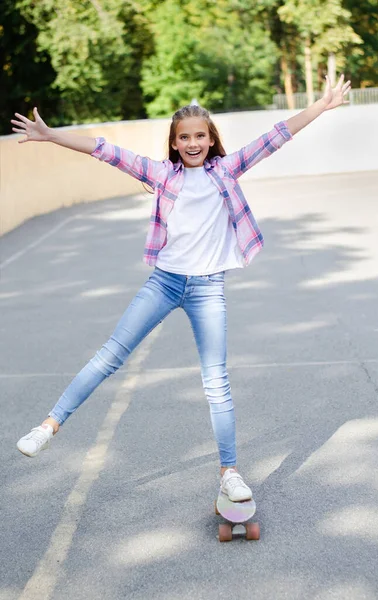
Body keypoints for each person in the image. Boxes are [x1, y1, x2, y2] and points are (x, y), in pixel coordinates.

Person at [12, 75, 351, 502]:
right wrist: (49, 136)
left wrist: (321, 106)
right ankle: (48, 426)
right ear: (174, 143)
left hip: (208, 290)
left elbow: (276, 136)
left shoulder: (227, 170)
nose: (193, 143)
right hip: (164, 283)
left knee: (216, 382)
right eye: (184, 137)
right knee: (109, 356)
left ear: (211, 140)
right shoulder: (160, 175)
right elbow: (104, 149)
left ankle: (229, 471)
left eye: (200, 136)